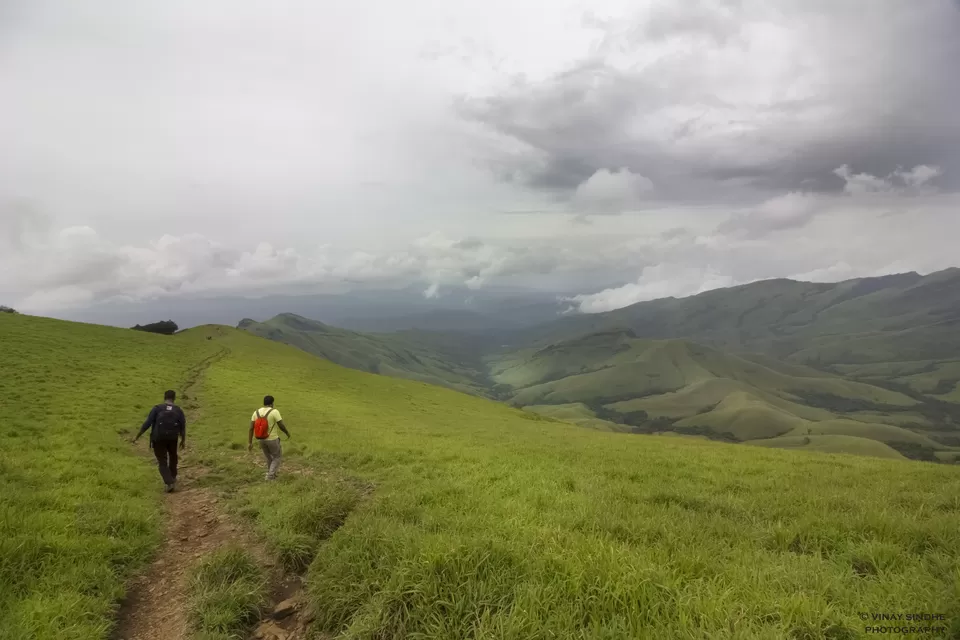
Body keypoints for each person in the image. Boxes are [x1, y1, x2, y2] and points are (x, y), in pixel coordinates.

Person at [133, 390, 186, 493]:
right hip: (173, 438)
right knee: (173, 456)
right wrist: (183, 440)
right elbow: (183, 426)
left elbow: (147, 423)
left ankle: (169, 482)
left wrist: (137, 436)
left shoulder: (157, 409)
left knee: (162, 461)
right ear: (174, 398)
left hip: (158, 438)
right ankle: (172, 477)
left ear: (164, 397)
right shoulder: (178, 410)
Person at [248, 395, 290, 481]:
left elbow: (251, 428)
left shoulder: (256, 412)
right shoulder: (274, 411)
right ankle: (270, 476)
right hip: (272, 439)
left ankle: (271, 474)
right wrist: (287, 433)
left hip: (261, 439)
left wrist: (250, 442)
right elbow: (281, 425)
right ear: (272, 403)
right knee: (277, 457)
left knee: (268, 457)